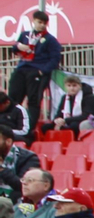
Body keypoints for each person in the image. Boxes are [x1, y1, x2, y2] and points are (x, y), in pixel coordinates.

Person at [8, 11, 60, 141]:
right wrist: (18, 46)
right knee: (13, 99)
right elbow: (14, 49)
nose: (42, 25)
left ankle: (28, 130)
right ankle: (10, 124)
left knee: (33, 101)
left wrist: (42, 71)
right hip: (22, 68)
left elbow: (55, 59)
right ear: (34, 21)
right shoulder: (25, 35)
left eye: (44, 23)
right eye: (39, 22)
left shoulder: (50, 40)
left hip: (37, 71)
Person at [0, 132, 41, 210]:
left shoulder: (29, 158)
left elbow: (23, 186)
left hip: (16, 202)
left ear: (8, 141)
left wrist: (2, 170)